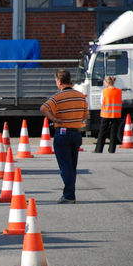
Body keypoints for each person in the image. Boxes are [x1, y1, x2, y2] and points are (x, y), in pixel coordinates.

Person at [40, 69, 89, 204]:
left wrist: (54, 119)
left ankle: (68, 195)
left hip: (62, 133)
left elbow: (43, 108)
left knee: (65, 166)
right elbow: (85, 115)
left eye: (56, 81)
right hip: (76, 133)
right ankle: (70, 194)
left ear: (60, 81)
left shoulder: (57, 97)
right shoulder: (80, 96)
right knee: (72, 166)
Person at [94, 76, 122, 153]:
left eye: (104, 82)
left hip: (106, 114)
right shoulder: (119, 91)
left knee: (102, 132)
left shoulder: (104, 91)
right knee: (113, 132)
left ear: (107, 83)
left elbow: (101, 101)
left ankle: (99, 149)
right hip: (116, 114)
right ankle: (112, 149)